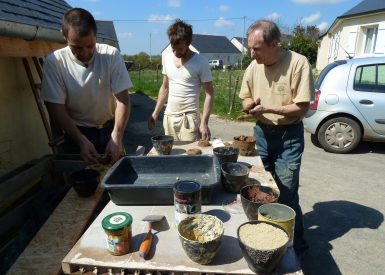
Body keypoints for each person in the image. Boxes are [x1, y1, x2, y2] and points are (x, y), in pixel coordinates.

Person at [239, 19, 313, 257]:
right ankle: (269, 238)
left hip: (288, 136)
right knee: (262, 191)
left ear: (275, 44)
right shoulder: (253, 66)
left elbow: (301, 108)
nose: (252, 53)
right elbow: (245, 97)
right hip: (261, 134)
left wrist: (268, 108)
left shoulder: (298, 63)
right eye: (250, 47)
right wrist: (248, 104)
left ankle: (296, 249)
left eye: (257, 48)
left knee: (287, 194)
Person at [41, 8, 132, 164]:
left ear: (96, 35)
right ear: (63, 34)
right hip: (76, 132)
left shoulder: (111, 55)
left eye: (90, 46)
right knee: (82, 183)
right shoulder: (55, 62)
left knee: (112, 179)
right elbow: (56, 107)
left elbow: (123, 99)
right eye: (76, 47)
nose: (84, 52)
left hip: (110, 129)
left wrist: (117, 135)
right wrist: (80, 139)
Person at [148, 19, 214, 141]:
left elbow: (209, 94)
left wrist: (204, 123)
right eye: (173, 48)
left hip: (189, 119)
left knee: (190, 157)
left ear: (188, 43)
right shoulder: (167, 59)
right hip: (169, 118)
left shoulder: (201, 62)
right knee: (171, 156)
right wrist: (155, 114)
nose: (176, 52)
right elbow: (165, 88)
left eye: (180, 49)